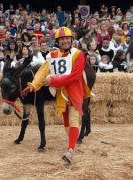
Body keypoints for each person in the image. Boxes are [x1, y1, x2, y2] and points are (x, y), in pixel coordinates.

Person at [21, 27, 92, 163]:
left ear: (71, 39)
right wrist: (33, 86)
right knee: (66, 121)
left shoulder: (79, 54)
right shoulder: (53, 55)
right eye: (62, 39)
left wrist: (54, 80)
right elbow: (43, 72)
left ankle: (70, 150)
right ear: (58, 41)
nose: (65, 41)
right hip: (60, 92)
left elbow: (75, 76)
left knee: (73, 120)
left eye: (67, 38)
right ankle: (72, 144)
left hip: (74, 91)